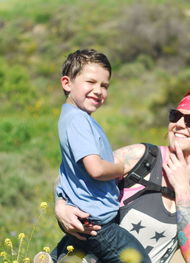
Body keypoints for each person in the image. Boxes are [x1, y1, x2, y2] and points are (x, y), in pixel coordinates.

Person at [53, 89, 190, 263]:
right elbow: (76, 173)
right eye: (175, 116)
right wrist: (60, 205)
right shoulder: (141, 158)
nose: (180, 124)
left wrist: (183, 191)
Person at [41, 49, 150, 263]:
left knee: (81, 250)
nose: (98, 90)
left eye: (104, 86)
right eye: (90, 82)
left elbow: (68, 170)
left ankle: (54, 258)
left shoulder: (72, 118)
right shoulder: (79, 121)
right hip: (99, 224)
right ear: (67, 83)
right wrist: (121, 168)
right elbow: (96, 169)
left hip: (87, 216)